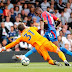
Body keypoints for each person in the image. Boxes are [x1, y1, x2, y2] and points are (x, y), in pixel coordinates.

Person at [0, 23, 71, 66]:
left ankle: (54, 62)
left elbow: (12, 44)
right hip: (44, 41)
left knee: (48, 60)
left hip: (38, 47)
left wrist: (3, 48)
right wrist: (27, 27)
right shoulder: (30, 28)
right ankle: (65, 61)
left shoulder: (21, 37)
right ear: (25, 26)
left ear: (19, 31)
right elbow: (36, 28)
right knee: (58, 51)